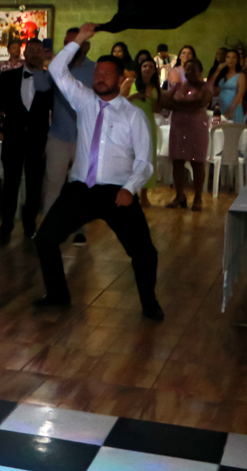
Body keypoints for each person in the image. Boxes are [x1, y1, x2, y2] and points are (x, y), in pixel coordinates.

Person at [34, 22, 163, 322]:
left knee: (145, 253)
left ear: (121, 79)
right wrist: (79, 39)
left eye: (107, 75)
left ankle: (149, 302)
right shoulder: (84, 100)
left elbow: (145, 161)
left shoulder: (133, 116)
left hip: (117, 191)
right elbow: (56, 69)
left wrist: (130, 189)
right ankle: (57, 294)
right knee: (45, 239)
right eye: (97, 74)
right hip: (81, 188)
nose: (100, 79)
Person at [0, 38, 54, 245]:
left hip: (38, 141)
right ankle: (5, 228)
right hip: (12, 140)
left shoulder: (49, 80)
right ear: (24, 53)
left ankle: (30, 226)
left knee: (34, 185)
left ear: (43, 54)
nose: (34, 54)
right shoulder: (7, 77)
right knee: (10, 186)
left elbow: (56, 110)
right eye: (31, 51)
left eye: (38, 51)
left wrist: (50, 138)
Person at [43, 27, 96, 246]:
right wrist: (41, 65)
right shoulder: (57, 69)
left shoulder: (95, 70)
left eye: (73, 43)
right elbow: (39, 87)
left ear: (85, 45)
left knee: (80, 186)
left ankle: (79, 228)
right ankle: (48, 228)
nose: (69, 47)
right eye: (66, 43)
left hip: (84, 138)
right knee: (54, 184)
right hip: (57, 135)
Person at [162, 56, 212, 211]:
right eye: (187, 69)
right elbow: (166, 103)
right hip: (178, 127)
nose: (189, 72)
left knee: (197, 162)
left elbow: (201, 103)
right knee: (177, 161)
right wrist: (187, 106)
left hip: (197, 128)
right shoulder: (178, 86)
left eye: (193, 70)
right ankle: (179, 195)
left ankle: (198, 198)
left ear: (200, 72)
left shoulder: (206, 87)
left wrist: (179, 104)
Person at [122, 57, 160, 207]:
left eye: (151, 67)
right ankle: (130, 192)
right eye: (145, 66)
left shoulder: (155, 87)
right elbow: (119, 101)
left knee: (147, 158)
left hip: (148, 124)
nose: (147, 69)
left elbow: (158, 109)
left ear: (154, 71)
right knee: (130, 158)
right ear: (140, 68)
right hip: (130, 124)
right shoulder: (130, 83)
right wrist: (135, 96)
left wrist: (154, 99)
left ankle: (144, 195)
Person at [213, 48, 246, 122]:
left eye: (234, 57)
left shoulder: (240, 75)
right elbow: (212, 84)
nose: (231, 60)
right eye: (228, 57)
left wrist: (230, 110)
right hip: (221, 106)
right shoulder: (223, 74)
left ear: (237, 60)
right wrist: (218, 69)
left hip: (233, 107)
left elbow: (240, 94)